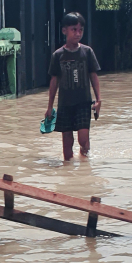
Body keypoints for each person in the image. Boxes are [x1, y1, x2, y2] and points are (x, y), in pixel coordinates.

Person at [45, 12, 102, 161]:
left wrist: (98, 100)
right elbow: (54, 81)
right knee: (67, 143)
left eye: (80, 30)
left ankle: (85, 159)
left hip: (83, 102)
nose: (78, 33)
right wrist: (50, 106)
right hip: (65, 104)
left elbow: (93, 76)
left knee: (83, 139)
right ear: (64, 30)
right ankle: (68, 171)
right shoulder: (58, 55)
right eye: (74, 30)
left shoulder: (87, 52)